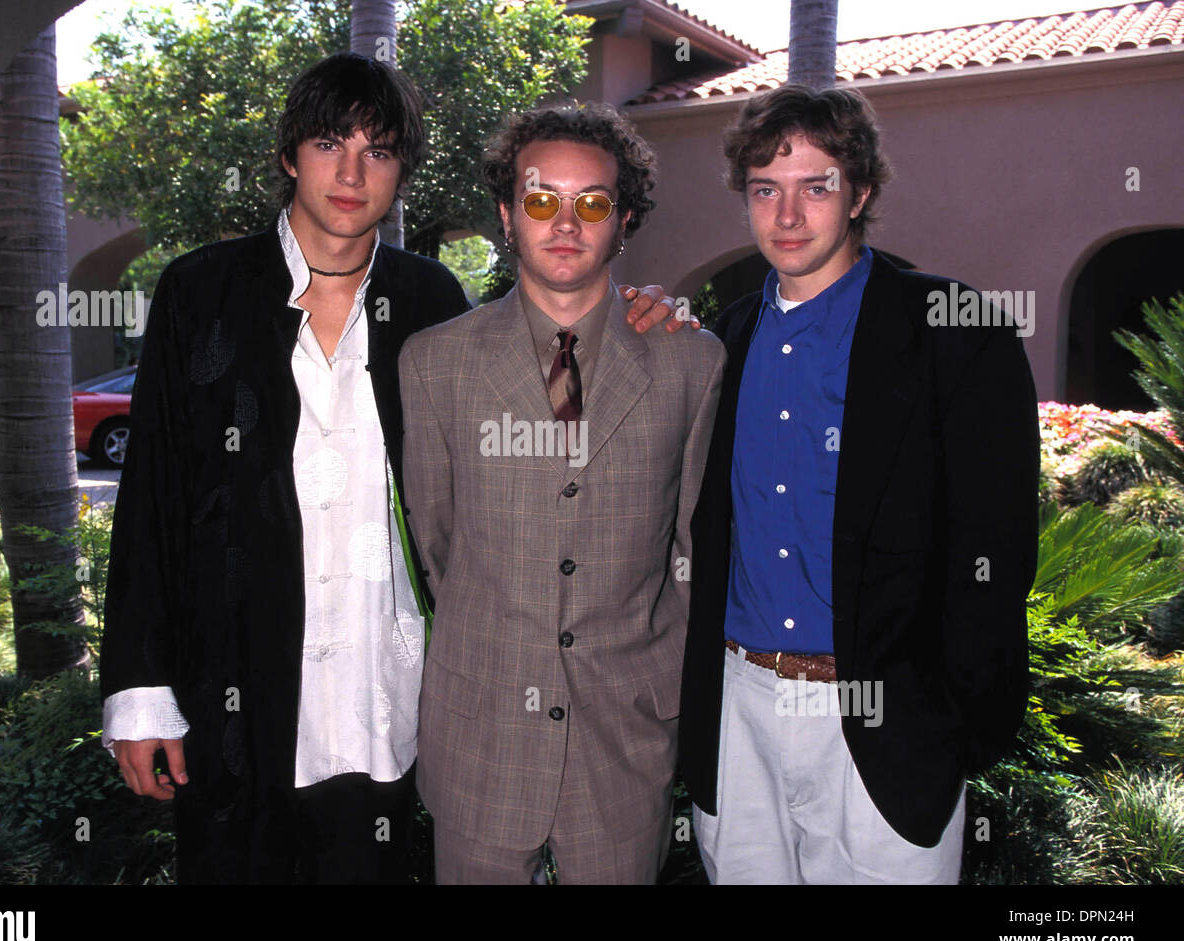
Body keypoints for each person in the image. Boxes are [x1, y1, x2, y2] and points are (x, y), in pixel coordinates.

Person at [99, 53, 689, 884]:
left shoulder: (430, 301)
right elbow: (150, 499)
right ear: (287, 155)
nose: (350, 171)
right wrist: (138, 692)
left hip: (390, 707)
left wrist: (643, 315)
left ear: (402, 171)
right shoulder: (202, 294)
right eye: (329, 142)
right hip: (237, 700)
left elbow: (523, 460)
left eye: (377, 151)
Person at [679, 84, 1039, 884]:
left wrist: (952, 722)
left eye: (817, 186)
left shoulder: (953, 329)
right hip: (737, 709)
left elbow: (997, 547)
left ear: (861, 192)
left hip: (883, 721)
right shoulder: (719, 342)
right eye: (765, 190)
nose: (788, 215)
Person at [400, 103, 725, 884]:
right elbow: (436, 547)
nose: (566, 223)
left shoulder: (694, 363)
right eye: (542, 200)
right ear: (509, 217)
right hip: (482, 736)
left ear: (625, 220)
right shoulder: (433, 364)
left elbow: (691, 547)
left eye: (593, 203)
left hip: (627, 740)